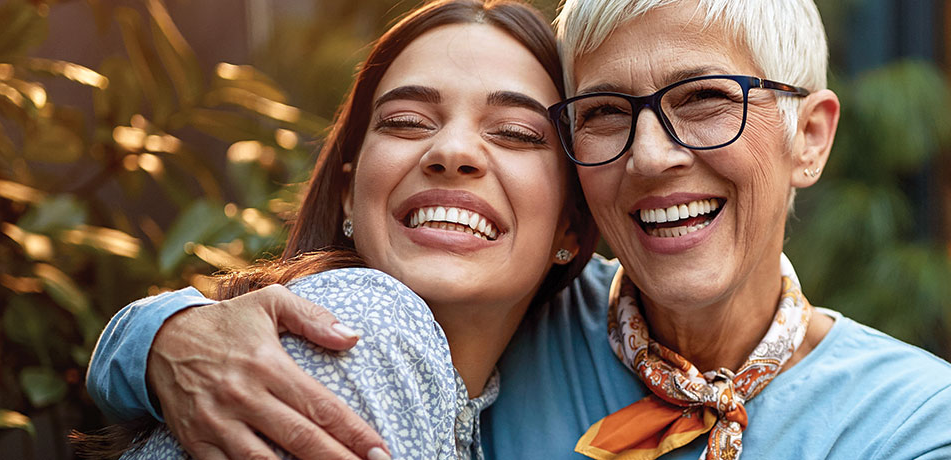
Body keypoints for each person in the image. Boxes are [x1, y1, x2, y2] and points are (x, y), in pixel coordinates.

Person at [87, 0, 951, 458]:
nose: (651, 156)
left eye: (705, 101)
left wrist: (150, 337)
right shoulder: (506, 319)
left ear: (811, 136)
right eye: (603, 114)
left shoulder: (909, 416)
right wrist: (163, 334)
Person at [80, 1, 596, 458]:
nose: (452, 152)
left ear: (571, 227)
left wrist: (146, 334)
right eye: (406, 122)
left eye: (515, 132)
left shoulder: (563, 346)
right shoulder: (367, 327)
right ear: (349, 192)